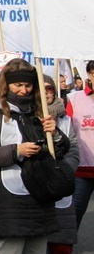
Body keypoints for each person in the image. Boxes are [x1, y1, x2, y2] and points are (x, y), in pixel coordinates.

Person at [0, 58, 70, 254]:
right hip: (10, 196)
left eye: (28, 85)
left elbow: (58, 151)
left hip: (40, 192)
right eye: (18, 85)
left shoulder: (37, 110)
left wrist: (55, 134)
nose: (24, 90)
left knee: (37, 250)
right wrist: (16, 151)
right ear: (6, 84)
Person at [44, 74, 79, 254]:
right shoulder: (24, 116)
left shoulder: (65, 119)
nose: (46, 93)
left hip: (61, 184)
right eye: (41, 89)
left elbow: (73, 151)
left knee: (61, 242)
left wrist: (64, 171)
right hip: (36, 187)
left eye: (49, 89)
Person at [65, 60, 94, 232]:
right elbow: (65, 131)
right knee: (71, 218)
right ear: (89, 74)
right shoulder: (75, 99)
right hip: (81, 170)